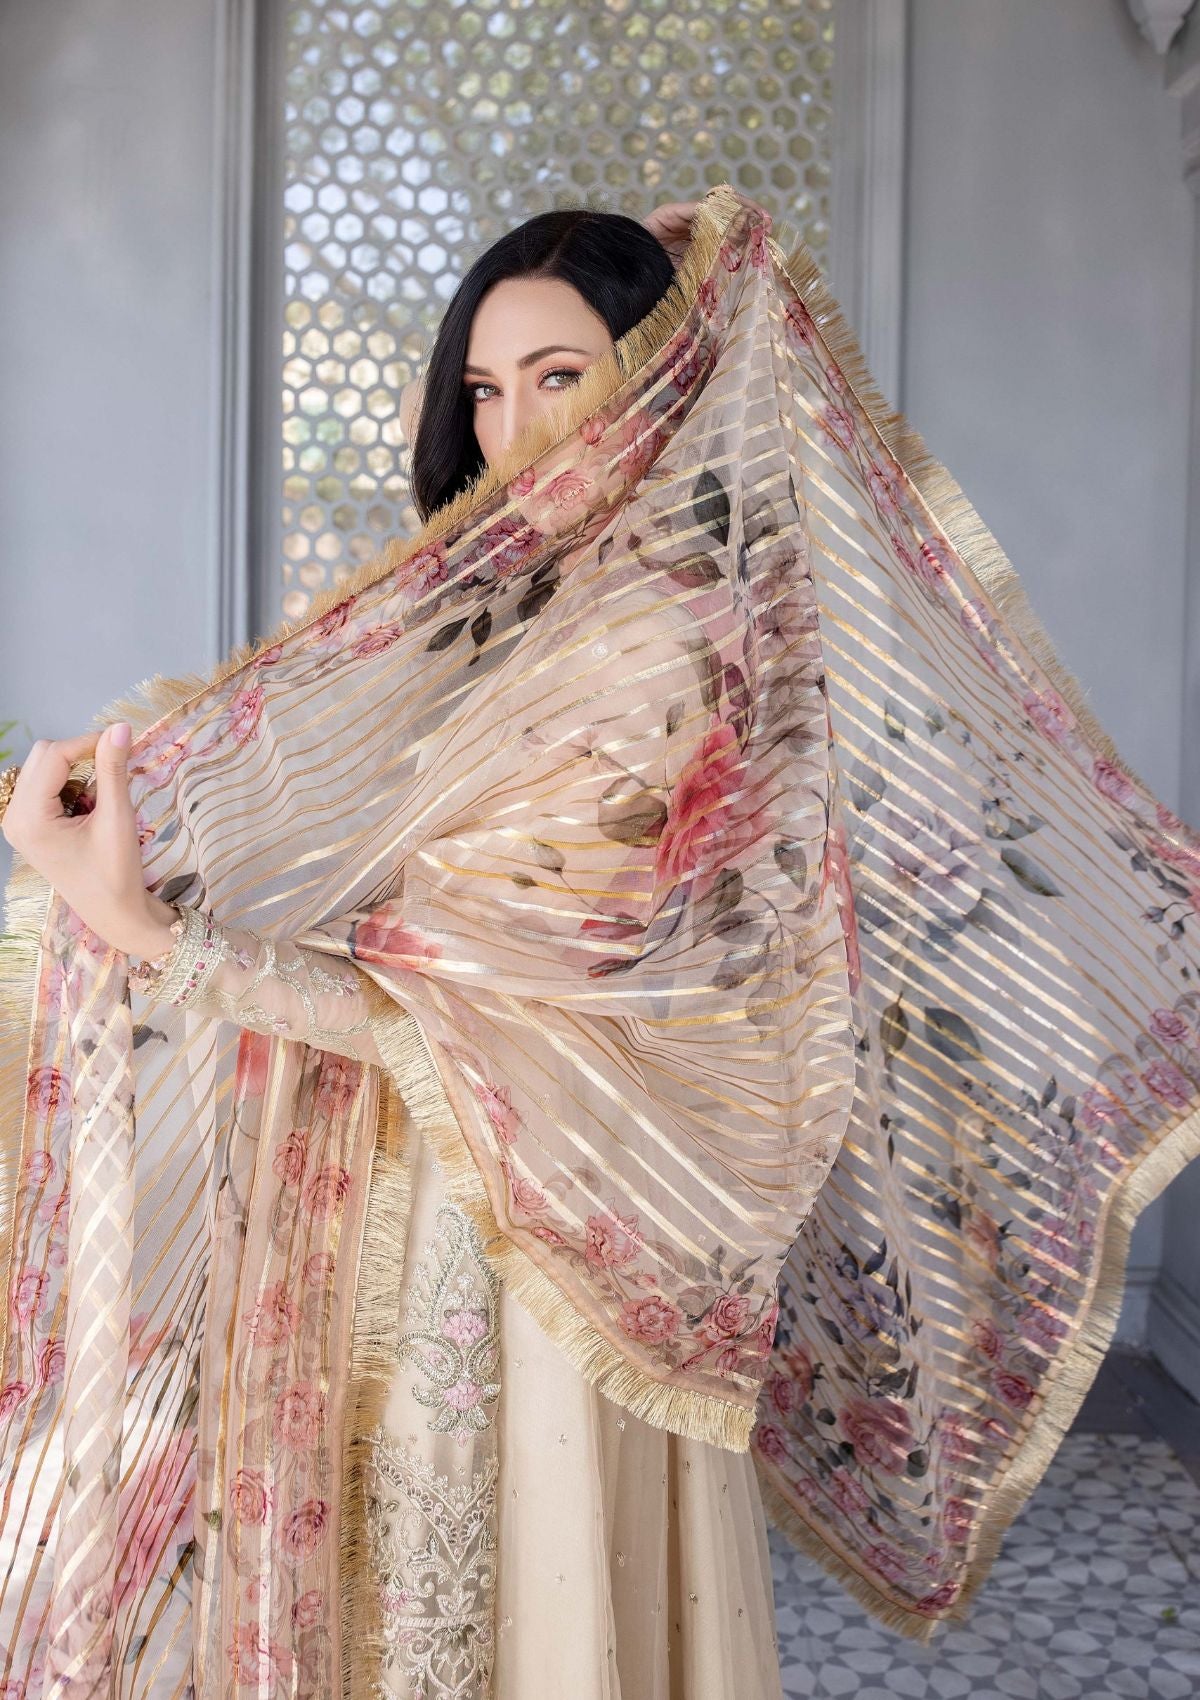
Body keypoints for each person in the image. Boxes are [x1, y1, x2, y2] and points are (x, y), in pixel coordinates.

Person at [0, 196, 788, 1700]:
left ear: (664, 372)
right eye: (484, 389)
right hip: (465, 1189)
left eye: (562, 376)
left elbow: (456, 1012)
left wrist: (146, 930)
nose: (512, 431)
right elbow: (367, 840)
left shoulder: (655, 656)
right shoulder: (529, 614)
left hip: (518, 1231)